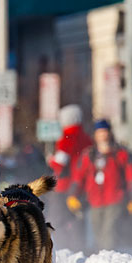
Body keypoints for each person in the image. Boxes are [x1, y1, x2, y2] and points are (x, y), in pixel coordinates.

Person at [66, 119, 132, 251]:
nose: (103, 136)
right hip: (94, 201)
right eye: (100, 133)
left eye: (105, 132)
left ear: (110, 133)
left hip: (115, 200)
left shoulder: (120, 154)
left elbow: (131, 177)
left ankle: (109, 258)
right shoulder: (88, 155)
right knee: (98, 235)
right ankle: (103, 262)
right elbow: (78, 177)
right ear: (95, 135)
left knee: (109, 233)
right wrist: (72, 195)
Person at [46, 104, 93, 250]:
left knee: (57, 219)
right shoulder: (87, 138)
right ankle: (80, 246)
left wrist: (50, 159)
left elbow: (60, 162)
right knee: (78, 217)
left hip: (64, 186)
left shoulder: (67, 137)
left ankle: (62, 247)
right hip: (82, 186)